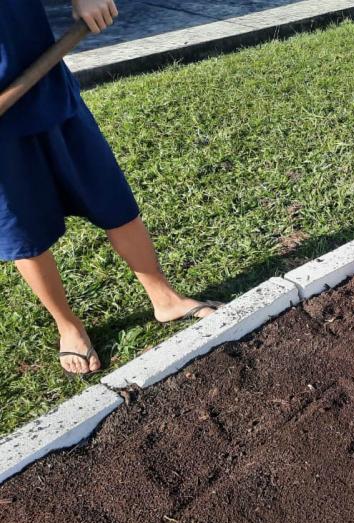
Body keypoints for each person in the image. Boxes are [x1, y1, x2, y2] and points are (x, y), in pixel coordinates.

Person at [0, 0, 220, 375]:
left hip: (44, 80)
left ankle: (164, 297)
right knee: (24, 231)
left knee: (108, 195)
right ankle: (67, 325)